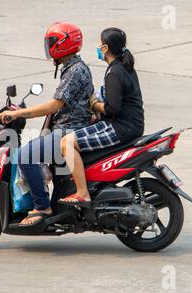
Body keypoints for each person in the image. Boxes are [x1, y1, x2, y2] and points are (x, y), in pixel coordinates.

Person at [0, 22, 93, 225]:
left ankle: (42, 207)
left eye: (52, 42)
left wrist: (18, 113)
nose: (49, 47)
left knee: (25, 155)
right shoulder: (73, 67)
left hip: (68, 131)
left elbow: (54, 105)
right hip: (66, 128)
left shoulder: (75, 70)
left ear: (63, 44)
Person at [59, 27, 144, 207]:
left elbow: (112, 109)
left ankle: (82, 193)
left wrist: (95, 104)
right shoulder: (124, 67)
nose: (98, 47)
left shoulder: (114, 72)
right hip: (129, 124)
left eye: (100, 44)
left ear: (105, 48)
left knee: (66, 142)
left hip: (121, 128)